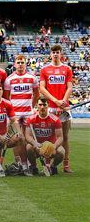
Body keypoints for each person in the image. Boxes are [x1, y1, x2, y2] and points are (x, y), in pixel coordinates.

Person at [39, 45, 73, 173]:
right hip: (50, 108)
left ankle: (66, 164)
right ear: (50, 54)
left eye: (57, 52)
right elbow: (42, 88)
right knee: (49, 136)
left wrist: (63, 101)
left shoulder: (67, 69)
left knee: (64, 136)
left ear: (61, 53)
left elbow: (69, 87)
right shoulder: (45, 69)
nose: (55, 54)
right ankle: (48, 164)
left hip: (64, 108)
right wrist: (55, 101)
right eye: (53, 52)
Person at [25, 97, 65, 176]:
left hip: (51, 146)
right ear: (37, 105)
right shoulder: (31, 119)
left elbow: (60, 137)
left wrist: (54, 146)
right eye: (40, 105)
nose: (42, 107)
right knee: (28, 147)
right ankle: (33, 167)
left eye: (44, 105)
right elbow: (27, 135)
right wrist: (34, 143)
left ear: (48, 105)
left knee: (61, 151)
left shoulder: (55, 120)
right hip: (37, 146)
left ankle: (53, 167)